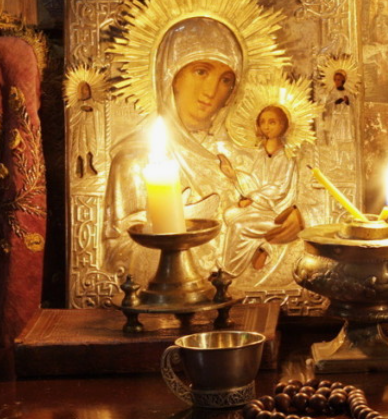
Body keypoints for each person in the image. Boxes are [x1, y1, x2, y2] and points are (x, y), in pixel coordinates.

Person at [103, 16, 243, 274]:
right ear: (172, 74)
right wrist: (173, 231)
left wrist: (284, 223)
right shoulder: (134, 160)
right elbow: (117, 256)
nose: (211, 91)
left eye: (226, 80)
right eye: (201, 72)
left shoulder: (239, 157)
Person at [222, 105, 301, 276]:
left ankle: (228, 272)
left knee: (239, 226)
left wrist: (253, 199)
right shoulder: (260, 153)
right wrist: (234, 175)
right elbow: (254, 180)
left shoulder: (286, 156)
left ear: (283, 125)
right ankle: (263, 246)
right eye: (263, 122)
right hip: (258, 207)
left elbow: (279, 188)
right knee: (229, 214)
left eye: (272, 122)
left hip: (276, 211)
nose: (267, 126)